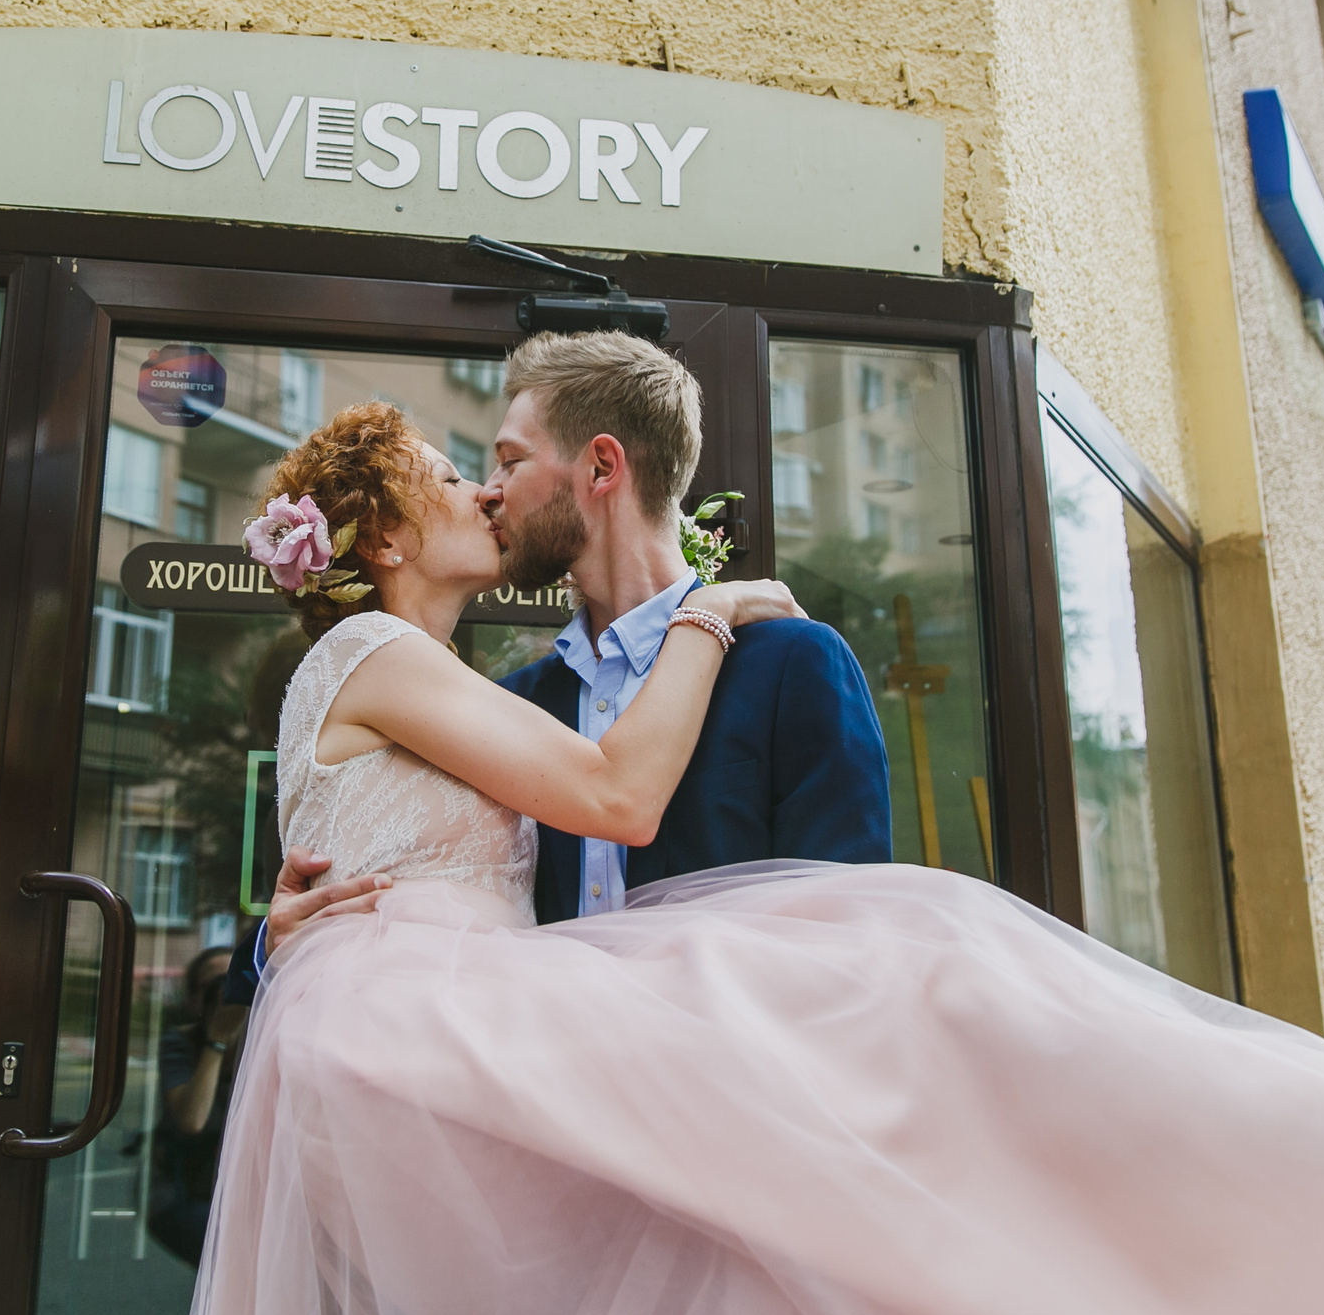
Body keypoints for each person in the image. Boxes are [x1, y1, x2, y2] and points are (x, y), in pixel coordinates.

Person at [188, 397, 1324, 1315]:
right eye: (451, 472)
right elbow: (608, 792)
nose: (481, 482)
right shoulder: (393, 654)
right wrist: (709, 609)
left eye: (502, 455)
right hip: (434, 1040)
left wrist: (287, 920)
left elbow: (359, 846)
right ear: (386, 533)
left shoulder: (426, 678)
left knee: (887, 1069)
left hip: (447, 1024)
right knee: (915, 983)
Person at [258, 330, 890, 962]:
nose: (489, 490)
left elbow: (848, 930)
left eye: (509, 460)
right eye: (467, 475)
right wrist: (271, 939)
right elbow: (372, 890)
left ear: (601, 466)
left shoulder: (792, 666)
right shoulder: (517, 701)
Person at [143, 943, 248, 1270]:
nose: (224, 993)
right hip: (182, 1190)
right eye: (212, 986)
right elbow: (191, 1120)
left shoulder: (265, 1040)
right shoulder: (181, 1043)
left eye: (233, 982)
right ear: (193, 999)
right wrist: (216, 1041)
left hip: (239, 1191)